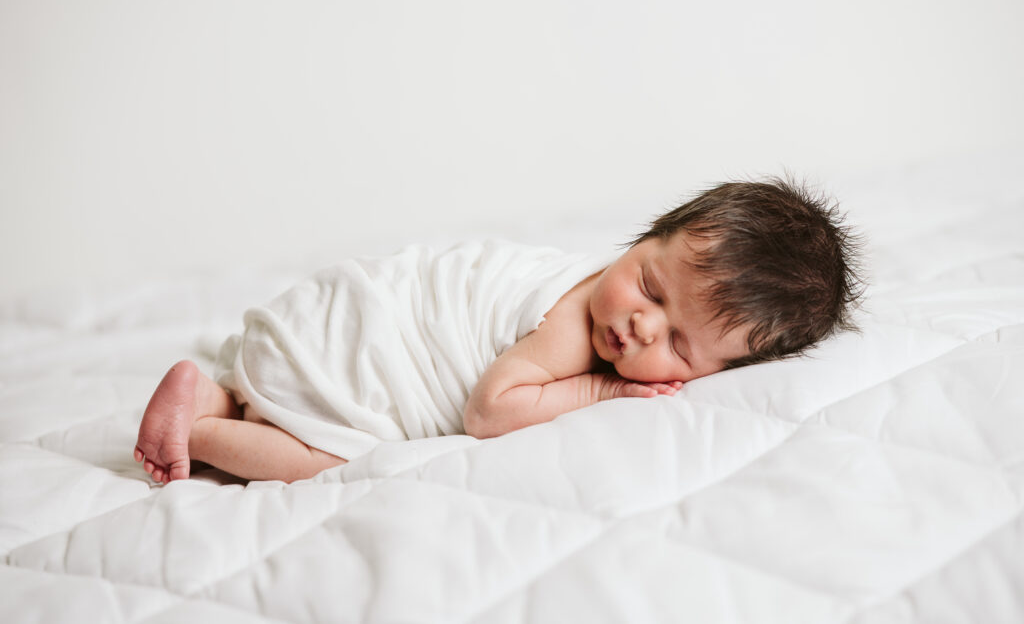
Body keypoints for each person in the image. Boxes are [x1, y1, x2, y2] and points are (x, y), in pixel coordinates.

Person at [134, 177, 862, 484]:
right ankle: (196, 436)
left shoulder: (612, 295)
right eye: (648, 284)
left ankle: (213, 395)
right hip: (366, 340)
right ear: (643, 239)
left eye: (677, 344)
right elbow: (489, 412)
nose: (640, 325)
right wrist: (595, 389)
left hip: (320, 318)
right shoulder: (577, 332)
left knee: (272, 396)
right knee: (334, 467)